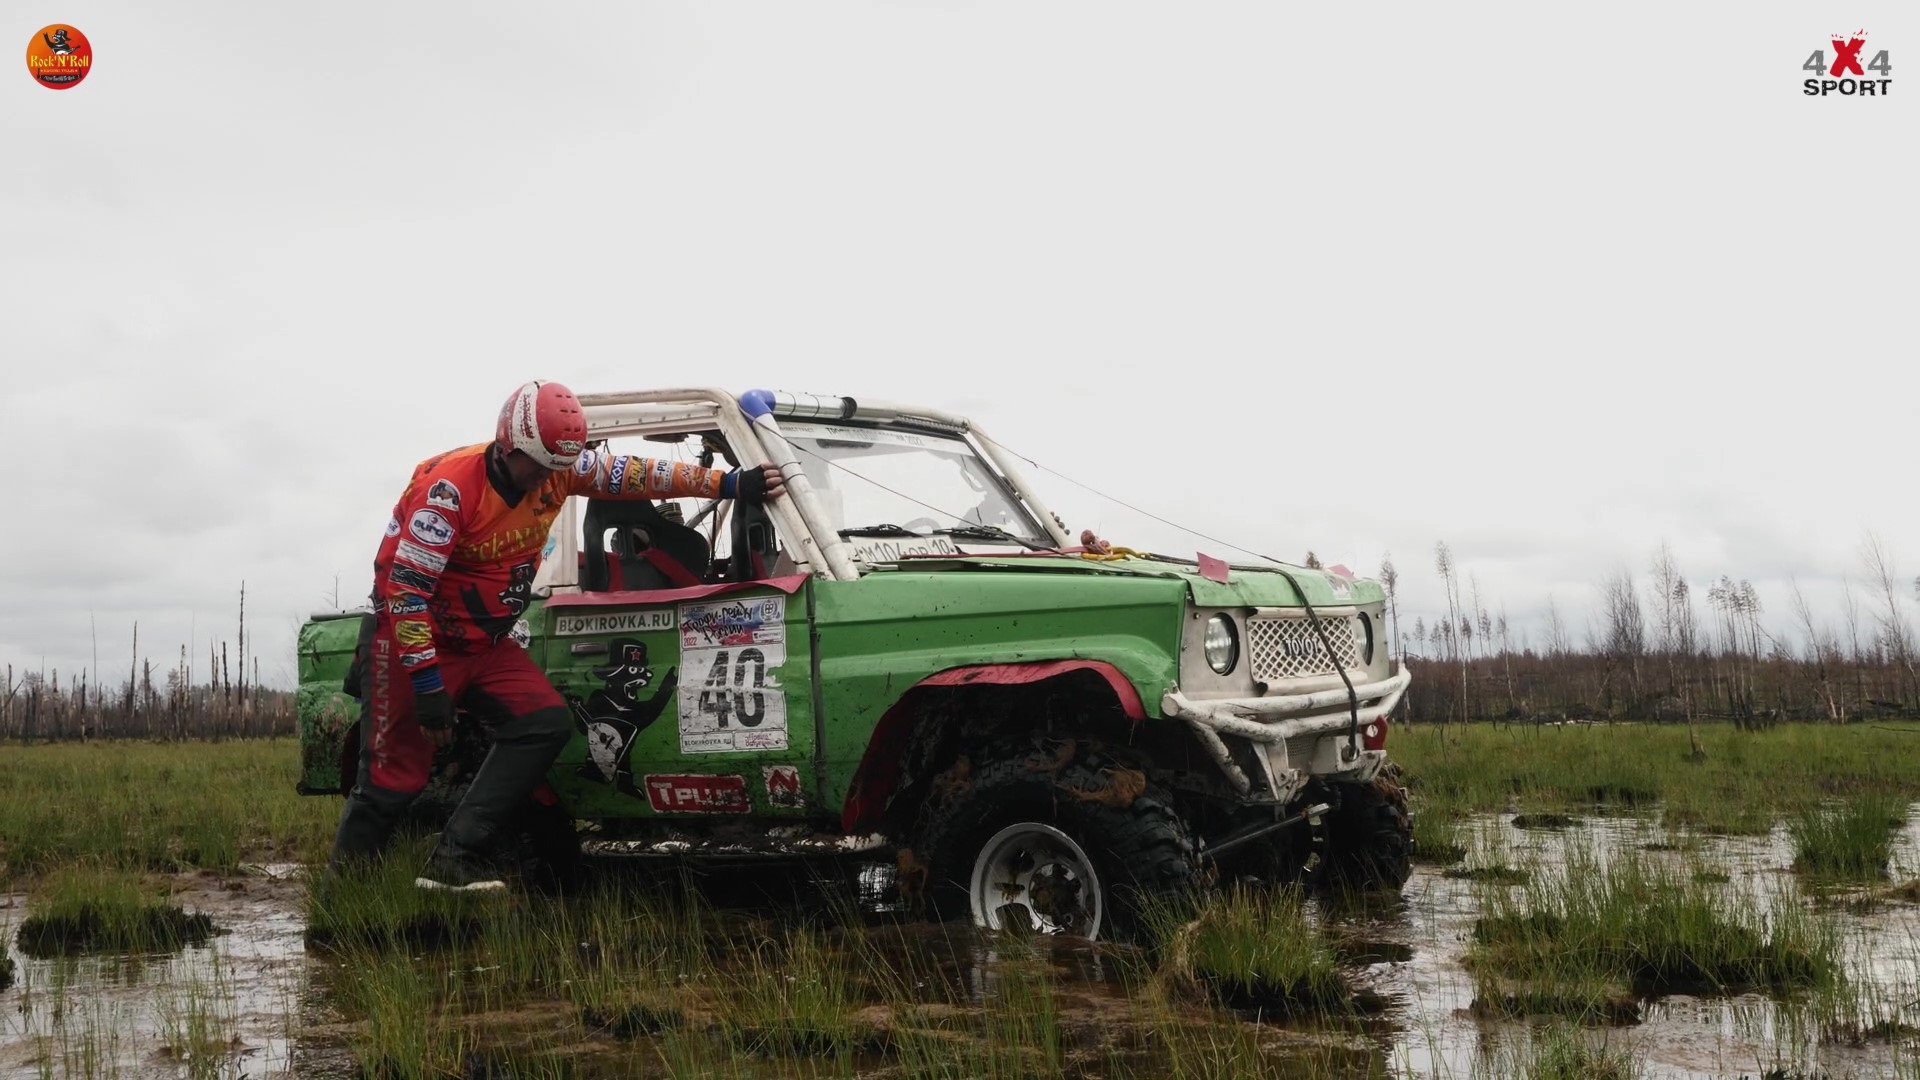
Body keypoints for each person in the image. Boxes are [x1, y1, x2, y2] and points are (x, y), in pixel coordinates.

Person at [328, 380, 785, 892]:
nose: (549, 478)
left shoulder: (558, 471)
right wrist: (430, 688)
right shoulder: (449, 492)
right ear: (508, 447)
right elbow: (405, 592)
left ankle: (455, 856)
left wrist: (727, 485)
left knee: (542, 721)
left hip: (484, 642)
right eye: (539, 465)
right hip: (413, 640)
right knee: (392, 779)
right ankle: (344, 901)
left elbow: (636, 474)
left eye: (559, 467)